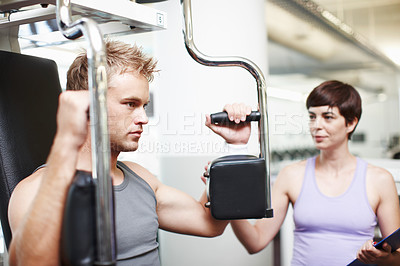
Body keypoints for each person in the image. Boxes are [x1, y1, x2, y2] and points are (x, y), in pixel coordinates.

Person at [7, 40, 252, 266]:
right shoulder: (35, 190)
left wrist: (236, 148)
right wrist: (65, 144)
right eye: (130, 104)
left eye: (143, 106)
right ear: (88, 104)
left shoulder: (141, 179)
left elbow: (208, 223)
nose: (143, 118)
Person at [227, 80, 400, 265]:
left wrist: (382, 259)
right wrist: (227, 202)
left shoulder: (379, 180)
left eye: (328, 117)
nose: (316, 125)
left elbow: (397, 257)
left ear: (350, 123)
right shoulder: (291, 175)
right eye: (312, 116)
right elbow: (256, 240)